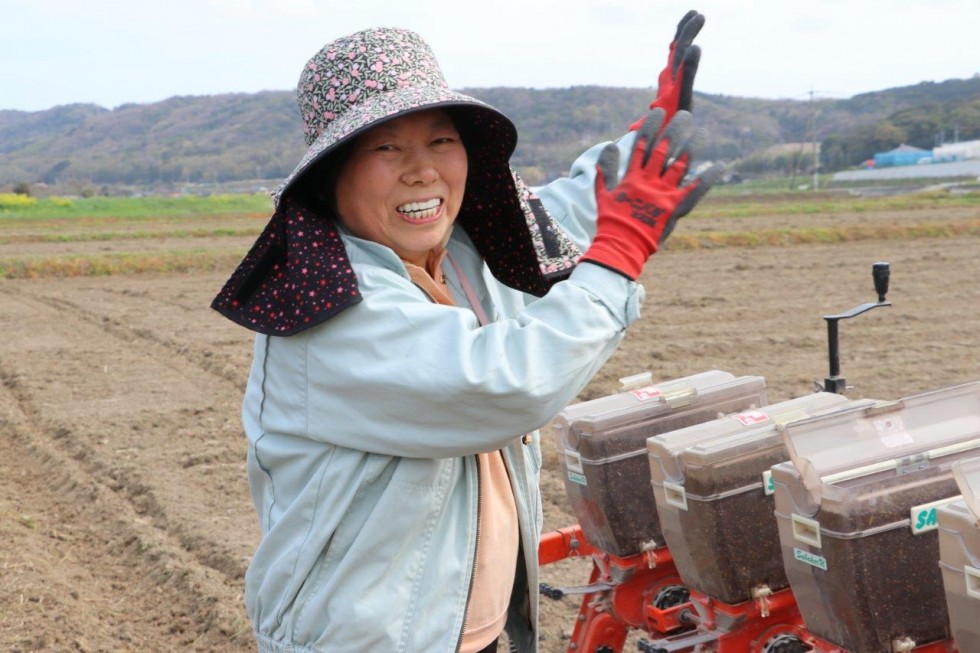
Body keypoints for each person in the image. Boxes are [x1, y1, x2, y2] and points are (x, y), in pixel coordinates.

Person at [212, 13, 718, 653]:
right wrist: (620, 253)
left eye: (442, 141)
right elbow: (503, 384)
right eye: (385, 147)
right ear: (331, 173)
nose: (422, 171)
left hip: (453, 629)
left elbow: (564, 211)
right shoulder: (329, 311)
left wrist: (645, 139)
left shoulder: (459, 257)